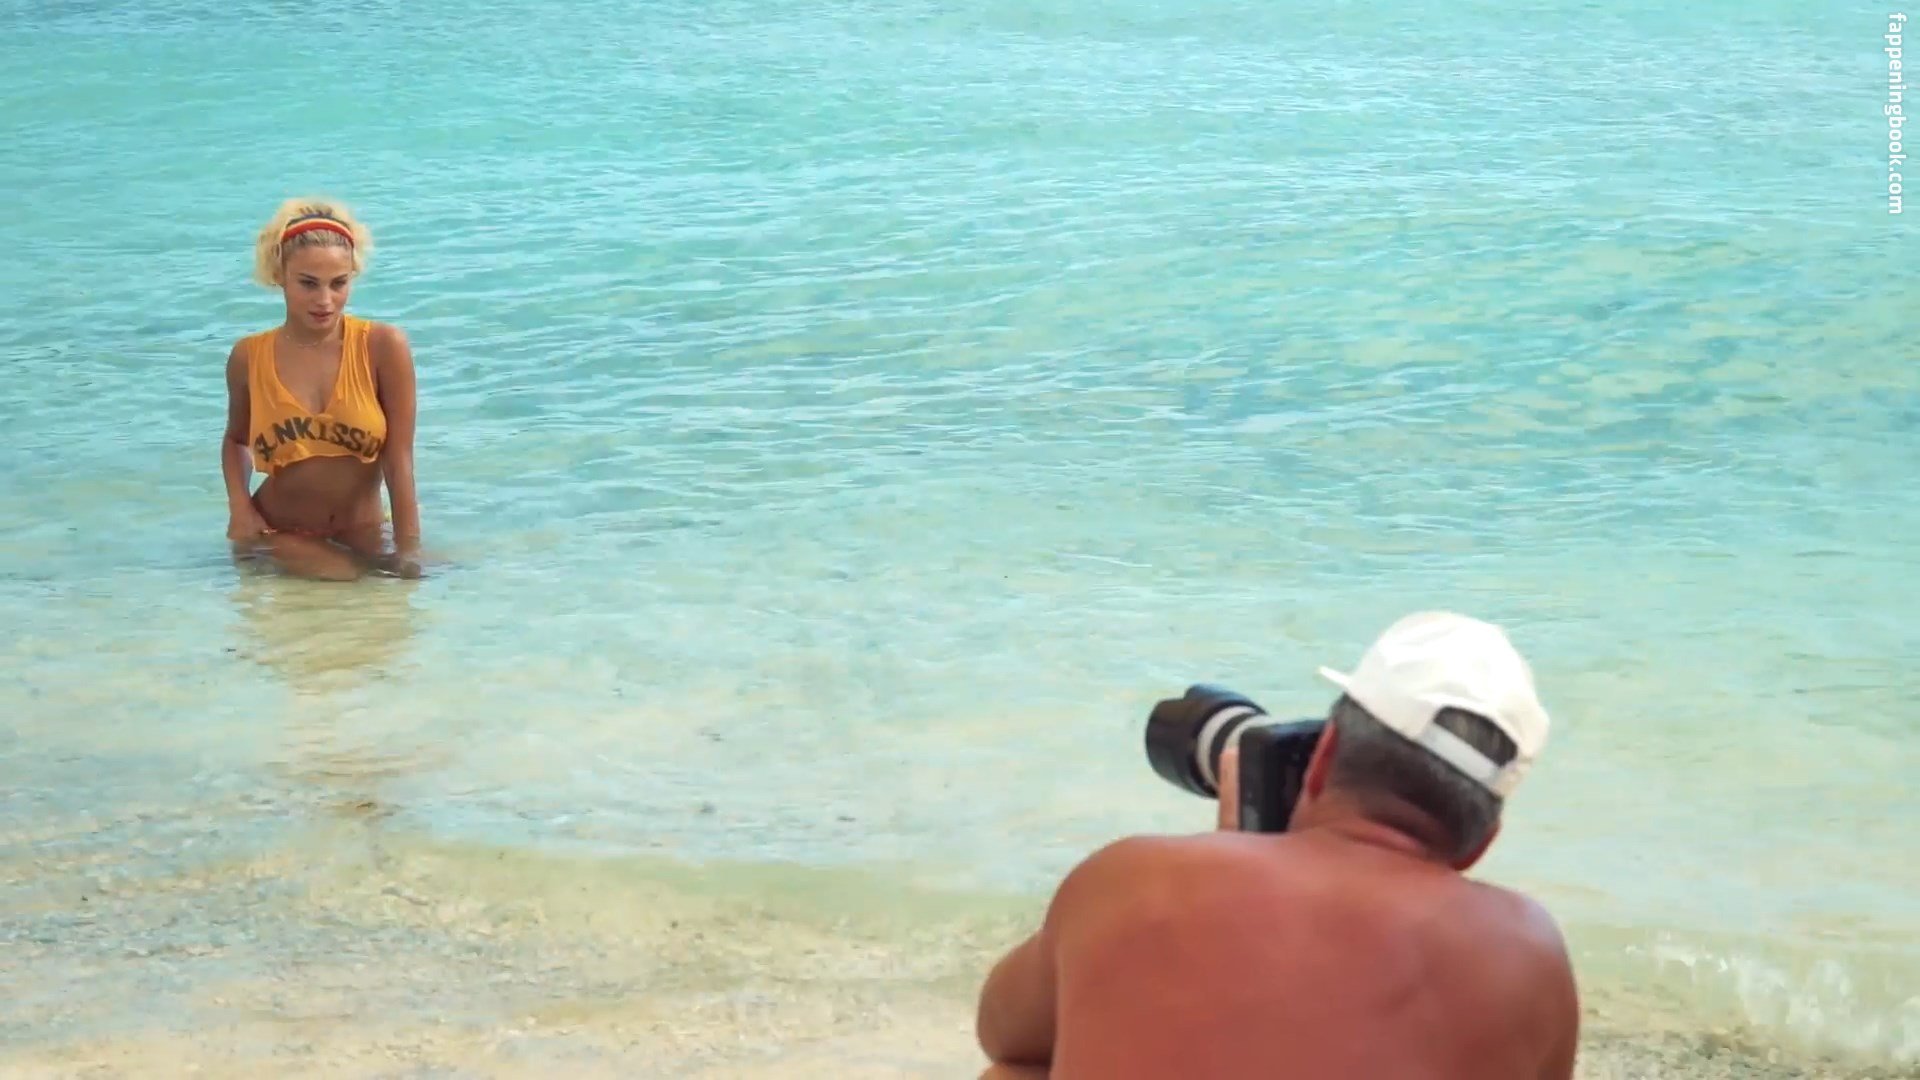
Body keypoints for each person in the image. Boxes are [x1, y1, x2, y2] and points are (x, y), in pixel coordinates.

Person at [974, 611, 1580, 1080]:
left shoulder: (1135, 876)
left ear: (1323, 756)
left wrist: (1227, 865)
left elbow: (1003, 1031)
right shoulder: (1528, 951)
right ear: (1481, 844)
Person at [221, 197, 422, 581]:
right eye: (308, 283)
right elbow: (236, 440)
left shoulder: (383, 346)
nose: (325, 301)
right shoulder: (248, 356)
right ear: (280, 274)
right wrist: (240, 509)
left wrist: (408, 548)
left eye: (339, 283)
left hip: (363, 529)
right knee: (345, 579)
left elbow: (399, 459)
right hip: (277, 533)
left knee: (436, 576)